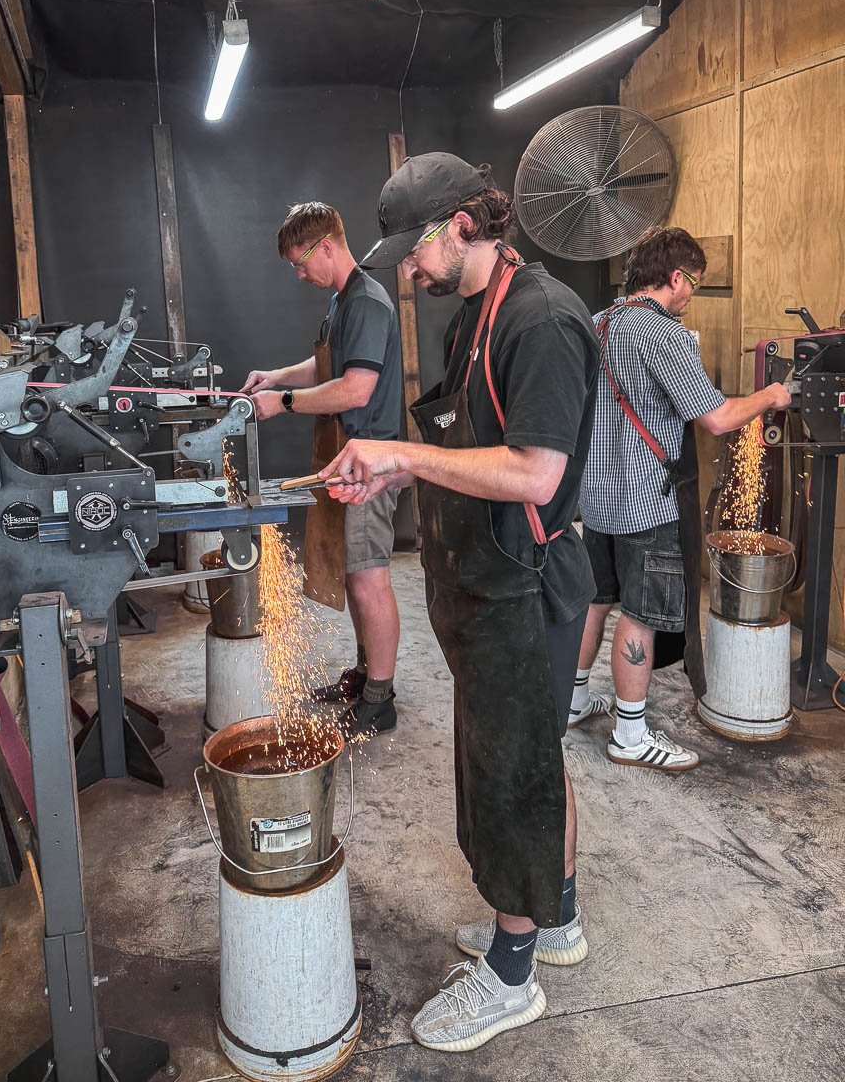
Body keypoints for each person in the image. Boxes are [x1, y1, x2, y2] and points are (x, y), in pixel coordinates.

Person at [321, 154, 600, 1052]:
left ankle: (512, 977)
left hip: (526, 586)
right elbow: (454, 439)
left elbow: (533, 470)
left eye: (415, 251)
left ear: (462, 227)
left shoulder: (544, 320)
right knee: (516, 760)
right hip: (480, 590)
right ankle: (549, 917)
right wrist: (383, 467)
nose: (407, 269)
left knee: (516, 774)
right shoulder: (473, 317)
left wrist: (400, 455)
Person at [571, 225, 792, 770]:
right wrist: (770, 394)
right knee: (641, 613)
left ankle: (573, 701)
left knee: (595, 600)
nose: (692, 294)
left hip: (596, 497)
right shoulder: (663, 335)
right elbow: (715, 418)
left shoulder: (598, 325)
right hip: (648, 501)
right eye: (693, 283)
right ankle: (629, 732)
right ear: (675, 278)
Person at [242, 202, 403, 737]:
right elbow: (326, 365)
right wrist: (276, 377)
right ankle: (365, 673)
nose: (299, 274)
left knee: (368, 579)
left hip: (371, 459)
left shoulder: (369, 303)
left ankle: (381, 698)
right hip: (347, 455)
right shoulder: (343, 302)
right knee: (355, 576)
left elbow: (356, 388)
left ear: (327, 247)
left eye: (300, 262)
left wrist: (283, 402)